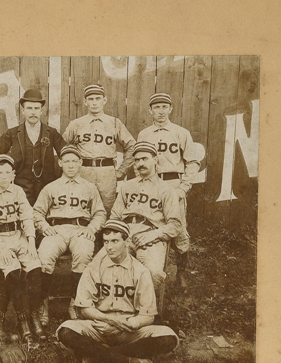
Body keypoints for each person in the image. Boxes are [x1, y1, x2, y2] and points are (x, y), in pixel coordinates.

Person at [56, 220, 179, 363]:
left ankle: (97, 355)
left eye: (115, 241)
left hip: (129, 329)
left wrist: (126, 324)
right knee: (66, 331)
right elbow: (85, 309)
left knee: (168, 338)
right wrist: (110, 321)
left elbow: (148, 316)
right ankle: (128, 359)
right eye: (106, 242)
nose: (109, 247)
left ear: (126, 242)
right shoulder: (94, 267)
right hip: (99, 326)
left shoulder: (140, 271)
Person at [32, 145, 106, 323]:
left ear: (80, 163)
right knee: (44, 256)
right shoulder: (51, 187)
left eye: (74, 161)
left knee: (83, 255)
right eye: (66, 162)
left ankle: (75, 302)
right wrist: (44, 226)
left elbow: (100, 213)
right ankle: (43, 303)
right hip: (56, 229)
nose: (71, 165)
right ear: (60, 163)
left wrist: (91, 229)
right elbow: (36, 212)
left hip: (81, 229)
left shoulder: (90, 187)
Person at [137, 92, 203, 290]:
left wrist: (184, 187)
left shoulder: (181, 133)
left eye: (164, 107)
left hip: (173, 182)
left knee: (178, 228)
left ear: (170, 109)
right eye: (156, 107)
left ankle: (181, 272)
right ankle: (148, 267)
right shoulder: (144, 134)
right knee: (152, 223)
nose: (161, 111)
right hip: (152, 184)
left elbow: (193, 162)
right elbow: (140, 161)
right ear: (150, 110)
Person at [0, 154, 45, 348]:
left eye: (7, 172)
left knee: (35, 269)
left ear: (13, 174)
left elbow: (27, 218)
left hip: (19, 236)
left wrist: (32, 243)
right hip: (0, 239)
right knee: (13, 274)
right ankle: (22, 320)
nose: (4, 177)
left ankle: (34, 315)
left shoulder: (18, 191)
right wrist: (0, 247)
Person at [109, 141, 182, 298]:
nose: (140, 163)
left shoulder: (166, 189)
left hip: (151, 236)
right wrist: (119, 236)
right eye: (137, 160)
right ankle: (115, 309)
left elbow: (175, 225)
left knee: (153, 272)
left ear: (155, 160)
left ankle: (148, 312)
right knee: (102, 266)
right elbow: (115, 216)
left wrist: (154, 234)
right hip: (125, 234)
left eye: (144, 159)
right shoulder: (126, 186)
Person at [62, 84, 136, 216]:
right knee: (82, 207)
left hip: (106, 173)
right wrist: (70, 169)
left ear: (104, 100)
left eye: (98, 98)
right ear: (85, 102)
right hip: (83, 171)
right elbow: (62, 147)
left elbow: (132, 146)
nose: (94, 103)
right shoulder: (76, 124)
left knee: (107, 210)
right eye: (90, 99)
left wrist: (122, 170)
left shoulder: (114, 122)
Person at [0, 89, 65, 206]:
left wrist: (59, 179)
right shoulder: (12, 133)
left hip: (46, 188)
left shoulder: (52, 133)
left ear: (42, 111)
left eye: (36, 108)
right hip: (20, 189)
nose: (33, 112)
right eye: (29, 108)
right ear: (23, 111)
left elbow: (66, 154)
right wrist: (6, 173)